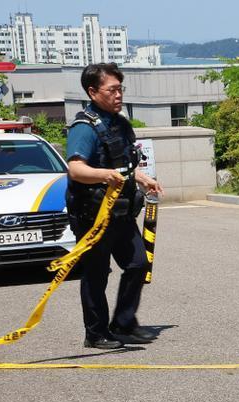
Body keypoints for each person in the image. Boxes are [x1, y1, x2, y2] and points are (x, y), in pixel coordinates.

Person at [65, 62, 163, 349]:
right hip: (93, 215)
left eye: (121, 89)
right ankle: (95, 333)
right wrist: (103, 175)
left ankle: (123, 322)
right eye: (113, 90)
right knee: (96, 273)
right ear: (93, 92)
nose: (119, 95)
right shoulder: (84, 128)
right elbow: (76, 170)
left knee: (137, 264)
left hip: (120, 213)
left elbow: (122, 166)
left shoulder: (119, 123)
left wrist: (142, 178)